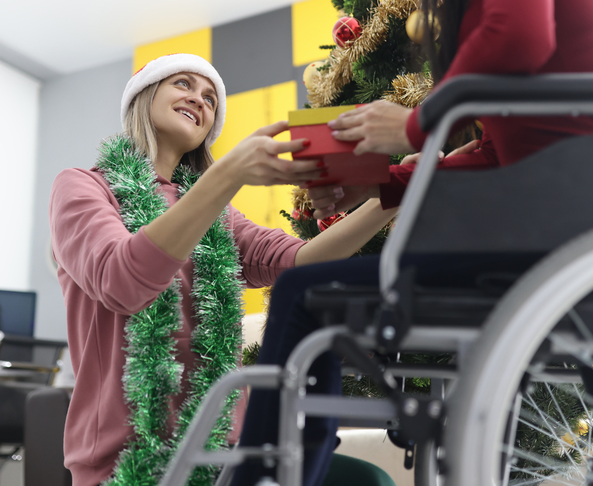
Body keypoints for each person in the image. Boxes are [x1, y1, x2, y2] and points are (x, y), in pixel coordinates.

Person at [231, 0, 593, 484]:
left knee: (304, 289)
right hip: (566, 213)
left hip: (556, 230)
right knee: (310, 289)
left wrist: (417, 124)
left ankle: (263, 475)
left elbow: (518, 36)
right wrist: (382, 184)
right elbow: (499, 152)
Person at [48, 53, 397, 486]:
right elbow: (123, 282)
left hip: (223, 449)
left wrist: (393, 193)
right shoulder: (83, 186)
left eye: (210, 98)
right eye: (183, 84)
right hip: (122, 457)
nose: (199, 99)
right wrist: (229, 173)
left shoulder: (218, 214)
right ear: (143, 95)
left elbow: (301, 263)